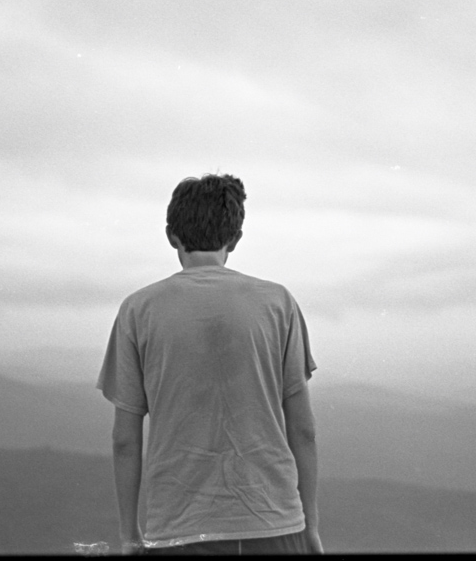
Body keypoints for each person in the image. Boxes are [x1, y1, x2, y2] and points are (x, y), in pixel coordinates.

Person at [96, 173, 322, 555]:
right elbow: (303, 430)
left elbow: (124, 441)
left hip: (178, 530)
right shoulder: (278, 303)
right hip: (277, 524)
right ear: (235, 238)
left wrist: (130, 536)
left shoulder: (138, 310)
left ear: (172, 236)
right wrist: (310, 526)